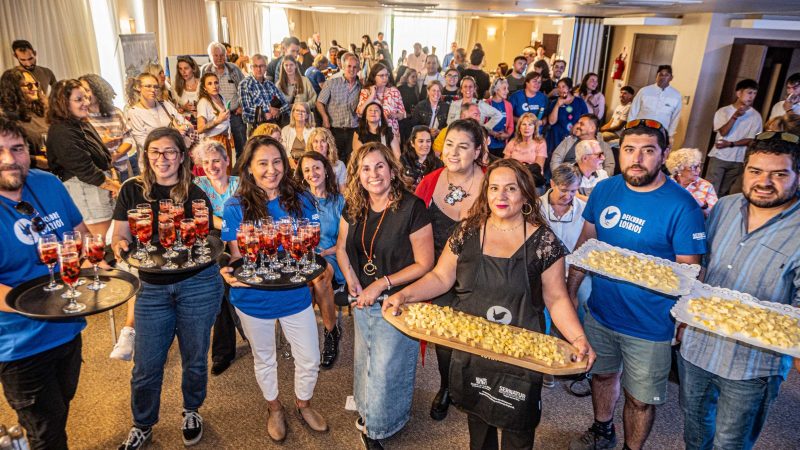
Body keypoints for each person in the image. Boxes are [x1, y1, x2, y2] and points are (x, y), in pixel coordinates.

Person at [385, 158, 594, 450]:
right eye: (494, 188)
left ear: (525, 195)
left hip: (520, 355)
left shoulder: (545, 242)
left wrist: (578, 338)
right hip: (474, 347)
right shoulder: (467, 231)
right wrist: (404, 295)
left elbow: (557, 298)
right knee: (478, 421)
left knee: (518, 429)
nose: (501, 196)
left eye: (511, 188)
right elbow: (441, 277)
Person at [567, 119, 707, 450]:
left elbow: (691, 273)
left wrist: (684, 322)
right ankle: (602, 429)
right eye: (629, 150)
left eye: (648, 151)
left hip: (650, 325)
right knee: (601, 376)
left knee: (641, 399)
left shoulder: (682, 206)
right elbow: (586, 245)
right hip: (601, 311)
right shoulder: (605, 189)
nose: (637, 159)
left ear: (664, 155)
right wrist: (571, 292)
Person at [678, 132, 800, 450]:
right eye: (756, 171)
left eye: (779, 173)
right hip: (698, 348)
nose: (765, 181)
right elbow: (701, 264)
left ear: (797, 176)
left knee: (730, 442)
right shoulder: (725, 207)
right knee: (694, 430)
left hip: (752, 365)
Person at [113, 127, 223, 450]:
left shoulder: (195, 193)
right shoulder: (132, 190)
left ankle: (192, 410)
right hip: (151, 287)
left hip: (197, 283)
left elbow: (205, 240)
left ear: (181, 156)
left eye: (170, 152)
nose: (163, 159)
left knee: (195, 357)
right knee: (146, 364)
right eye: (155, 152)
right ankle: (142, 424)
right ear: (146, 156)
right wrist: (121, 246)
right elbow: (120, 235)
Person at [219, 136, 328, 442]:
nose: (271, 169)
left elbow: (312, 244)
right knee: (264, 358)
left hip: (294, 295)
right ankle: (274, 408)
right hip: (253, 298)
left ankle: (303, 403)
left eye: (277, 161)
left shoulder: (302, 199)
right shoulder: (235, 206)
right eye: (263, 163)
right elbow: (238, 258)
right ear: (249, 168)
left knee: (309, 357)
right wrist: (226, 270)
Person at [0, 117, 91, 449]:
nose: (9, 159)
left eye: (17, 148)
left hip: (68, 326)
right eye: (0, 151)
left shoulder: (48, 183)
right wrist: (40, 306)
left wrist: (81, 260)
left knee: (60, 409)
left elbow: (80, 233)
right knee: (48, 433)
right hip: (20, 343)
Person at [335, 142, 433, 449]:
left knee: (386, 368)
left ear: (392, 169)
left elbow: (425, 263)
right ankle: (368, 412)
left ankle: (379, 429)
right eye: (365, 168)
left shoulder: (412, 207)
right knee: (365, 360)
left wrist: (382, 283)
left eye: (379, 166)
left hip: (398, 301)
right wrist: (351, 277)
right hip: (362, 299)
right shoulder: (353, 204)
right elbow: (340, 247)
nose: (373, 174)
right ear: (357, 174)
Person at [413, 119, 487, 421]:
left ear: (478, 151)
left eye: (464, 146)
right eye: (450, 144)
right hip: (439, 277)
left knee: (478, 340)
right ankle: (446, 387)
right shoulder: (430, 181)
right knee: (444, 339)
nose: (453, 152)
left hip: (481, 277)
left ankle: (476, 389)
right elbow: (412, 229)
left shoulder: (491, 185)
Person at [190, 141, 244, 375]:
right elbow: (203, 218)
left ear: (226, 161)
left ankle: (223, 352)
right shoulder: (198, 185)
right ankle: (240, 334)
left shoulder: (239, 184)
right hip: (212, 239)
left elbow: (246, 216)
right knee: (221, 272)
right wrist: (225, 224)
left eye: (216, 161)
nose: (212, 166)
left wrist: (229, 227)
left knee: (222, 280)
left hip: (241, 238)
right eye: (207, 162)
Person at [46, 79, 120, 238]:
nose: (86, 102)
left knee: (108, 240)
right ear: (63, 103)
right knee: (100, 243)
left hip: (99, 187)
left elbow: (104, 157)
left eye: (86, 97)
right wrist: (116, 187)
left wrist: (113, 179)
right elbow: (86, 171)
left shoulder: (81, 122)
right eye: (79, 99)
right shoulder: (61, 131)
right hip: (86, 191)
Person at [294, 151, 345, 368]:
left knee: (320, 276)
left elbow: (345, 241)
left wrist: (325, 253)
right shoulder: (297, 201)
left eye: (316, 167)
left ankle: (330, 333)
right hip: (303, 256)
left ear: (325, 170)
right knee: (306, 282)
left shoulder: (339, 201)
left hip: (332, 255)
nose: (312, 173)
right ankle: (306, 340)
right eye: (307, 170)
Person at [540, 164, 590, 321]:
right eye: (563, 190)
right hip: (543, 274)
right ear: (552, 183)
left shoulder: (585, 210)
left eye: (573, 191)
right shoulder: (535, 207)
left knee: (585, 303)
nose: (568, 196)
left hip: (576, 272)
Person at [707, 78, 762, 197]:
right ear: (739, 93)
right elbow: (723, 132)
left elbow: (753, 139)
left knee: (724, 192)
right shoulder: (724, 111)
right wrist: (735, 116)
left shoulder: (756, 116)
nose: (751, 97)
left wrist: (731, 144)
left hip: (738, 159)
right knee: (711, 190)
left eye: (754, 93)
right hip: (719, 156)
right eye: (749, 93)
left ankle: (719, 215)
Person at [80, 74, 137, 182]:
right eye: (81, 91)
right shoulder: (82, 118)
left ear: (98, 91)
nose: (84, 95)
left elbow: (129, 140)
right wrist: (102, 143)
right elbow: (82, 149)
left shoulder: (116, 112)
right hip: (101, 173)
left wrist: (114, 156)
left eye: (87, 90)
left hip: (124, 169)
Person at [126, 72, 193, 163]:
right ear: (138, 88)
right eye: (148, 86)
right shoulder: (134, 112)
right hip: (153, 162)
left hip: (174, 158)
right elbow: (143, 142)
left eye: (155, 87)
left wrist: (185, 127)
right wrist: (175, 134)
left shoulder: (164, 104)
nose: (153, 90)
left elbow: (187, 123)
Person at [201, 42, 246, 158]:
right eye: (215, 55)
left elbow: (244, 88)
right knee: (220, 150)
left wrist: (242, 106)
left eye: (222, 55)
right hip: (215, 116)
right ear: (210, 56)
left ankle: (240, 173)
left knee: (242, 147)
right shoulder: (205, 70)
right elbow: (200, 91)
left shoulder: (234, 68)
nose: (219, 58)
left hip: (235, 114)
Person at [0, 67, 49, 170]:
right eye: (28, 85)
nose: (34, 88)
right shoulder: (6, 118)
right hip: (28, 173)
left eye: (36, 84)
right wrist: (36, 161)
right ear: (13, 89)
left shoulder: (42, 111)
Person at [317, 52, 362, 163]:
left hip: (354, 130)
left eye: (355, 67)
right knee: (334, 160)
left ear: (359, 68)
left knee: (352, 161)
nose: (352, 69)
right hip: (335, 129)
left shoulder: (361, 86)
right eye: (349, 66)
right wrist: (325, 118)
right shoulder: (332, 83)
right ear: (343, 67)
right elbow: (319, 102)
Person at [238, 54, 290, 137]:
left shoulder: (271, 85)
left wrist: (278, 111)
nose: (259, 69)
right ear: (251, 68)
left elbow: (286, 105)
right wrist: (267, 111)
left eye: (262, 66)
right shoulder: (245, 85)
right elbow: (246, 112)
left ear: (266, 68)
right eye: (255, 66)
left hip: (274, 129)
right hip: (256, 129)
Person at [628, 65, 682, 140]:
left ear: (671, 78)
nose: (663, 77)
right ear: (656, 76)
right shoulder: (644, 91)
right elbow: (633, 111)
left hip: (660, 133)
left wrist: (670, 135)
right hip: (640, 130)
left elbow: (675, 117)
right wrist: (630, 129)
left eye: (666, 75)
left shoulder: (676, 95)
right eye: (661, 75)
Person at [550, 114, 616, 174]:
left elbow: (609, 168)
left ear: (592, 128)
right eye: (578, 123)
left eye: (581, 124)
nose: (577, 126)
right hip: (566, 180)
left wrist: (597, 183)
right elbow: (555, 159)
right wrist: (559, 178)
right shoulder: (569, 140)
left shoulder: (604, 147)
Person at [357, 63, 406, 140]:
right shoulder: (366, 92)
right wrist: (372, 95)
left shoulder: (394, 91)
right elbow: (360, 113)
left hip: (392, 134)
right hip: (372, 134)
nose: (385, 78)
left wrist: (395, 115)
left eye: (387, 75)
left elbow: (402, 114)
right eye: (381, 76)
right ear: (374, 77)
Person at [665, 147, 717, 217]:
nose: (699, 170)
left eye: (699, 166)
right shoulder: (665, 183)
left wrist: (703, 206)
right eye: (694, 167)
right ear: (680, 168)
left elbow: (714, 216)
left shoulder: (706, 186)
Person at [196, 73, 233, 163]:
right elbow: (200, 129)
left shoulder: (221, 97)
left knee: (227, 171)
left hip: (225, 139)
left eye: (216, 82)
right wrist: (218, 120)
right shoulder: (203, 102)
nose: (214, 86)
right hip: (213, 142)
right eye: (210, 83)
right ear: (204, 88)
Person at [546, 78, 589, 153]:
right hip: (556, 138)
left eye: (563, 86)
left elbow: (586, 120)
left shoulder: (579, 102)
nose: (560, 89)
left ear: (570, 88)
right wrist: (557, 105)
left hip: (574, 138)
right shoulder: (554, 102)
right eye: (558, 87)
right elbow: (551, 122)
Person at [400, 125, 443, 189]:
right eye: (421, 141)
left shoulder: (438, 164)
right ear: (412, 143)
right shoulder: (404, 159)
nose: (425, 145)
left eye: (428, 141)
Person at [485, 78, 514, 158]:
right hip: (488, 145)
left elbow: (511, 125)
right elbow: (481, 125)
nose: (507, 91)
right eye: (504, 88)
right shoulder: (486, 104)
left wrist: (507, 135)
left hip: (503, 145)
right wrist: (495, 134)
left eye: (507, 88)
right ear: (496, 90)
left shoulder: (508, 105)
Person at [173, 56, 201, 124]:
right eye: (180, 69)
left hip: (201, 121)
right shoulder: (175, 85)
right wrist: (183, 108)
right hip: (183, 122)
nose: (183, 72)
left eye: (186, 68)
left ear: (193, 68)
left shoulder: (202, 84)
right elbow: (174, 108)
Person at [397, 68, 422, 143]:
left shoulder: (417, 90)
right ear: (407, 78)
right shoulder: (400, 89)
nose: (415, 79)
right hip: (401, 119)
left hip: (411, 119)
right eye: (412, 77)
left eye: (416, 77)